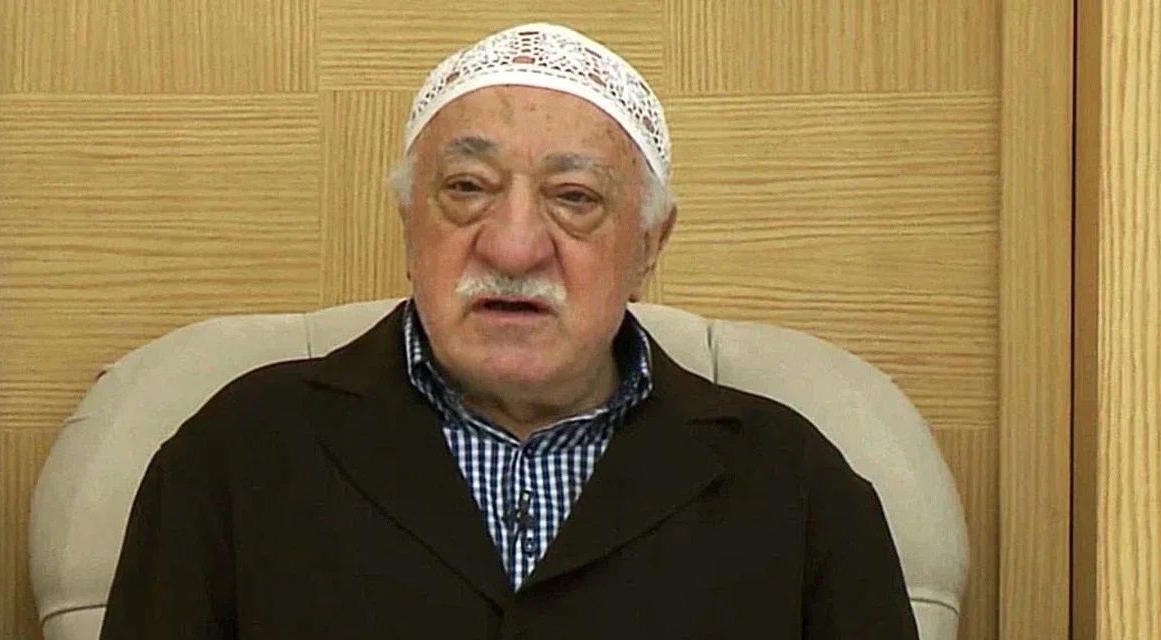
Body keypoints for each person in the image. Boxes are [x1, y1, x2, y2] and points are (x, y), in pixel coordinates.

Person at [100, 22, 918, 639]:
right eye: (467, 187)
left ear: (649, 245)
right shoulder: (236, 456)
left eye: (575, 198)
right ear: (408, 222)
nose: (514, 246)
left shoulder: (794, 485)